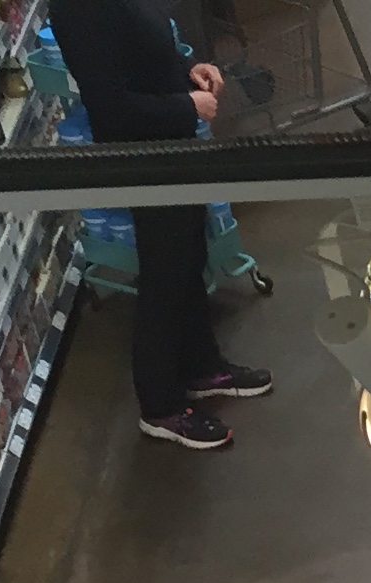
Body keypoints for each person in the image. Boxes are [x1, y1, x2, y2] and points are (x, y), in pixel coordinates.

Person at [43, 0, 271, 450]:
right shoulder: (80, 11)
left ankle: (202, 367)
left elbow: (148, 46)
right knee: (165, 272)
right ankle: (161, 407)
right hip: (144, 158)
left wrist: (190, 68)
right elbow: (113, 111)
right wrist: (185, 106)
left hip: (172, 145)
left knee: (189, 254)